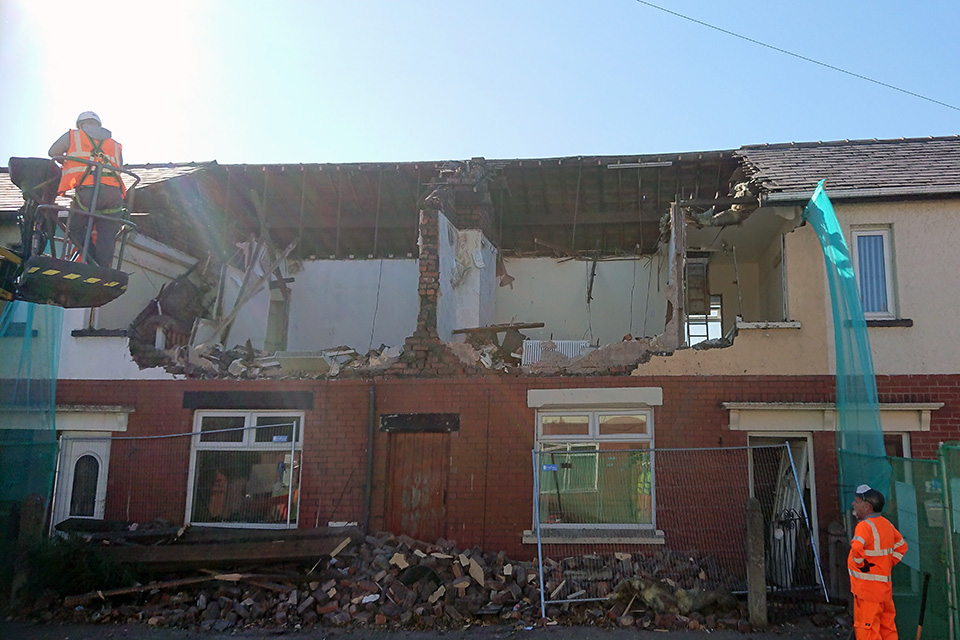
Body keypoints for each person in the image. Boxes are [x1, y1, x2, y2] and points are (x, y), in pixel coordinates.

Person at [48, 111, 126, 267]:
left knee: (76, 227)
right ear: (98, 125)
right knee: (107, 236)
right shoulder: (115, 145)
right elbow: (120, 167)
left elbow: (52, 152)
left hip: (88, 192)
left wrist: (70, 162)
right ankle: (102, 270)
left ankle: (89, 257)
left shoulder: (73, 136)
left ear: (81, 125)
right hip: (114, 195)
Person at [848, 484, 908, 639]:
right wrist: (889, 563)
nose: (853, 504)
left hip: (867, 593)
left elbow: (856, 548)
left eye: (856, 501)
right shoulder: (887, 525)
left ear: (867, 506)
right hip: (884, 592)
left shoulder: (864, 526)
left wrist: (862, 565)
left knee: (867, 631)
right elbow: (902, 546)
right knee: (888, 629)